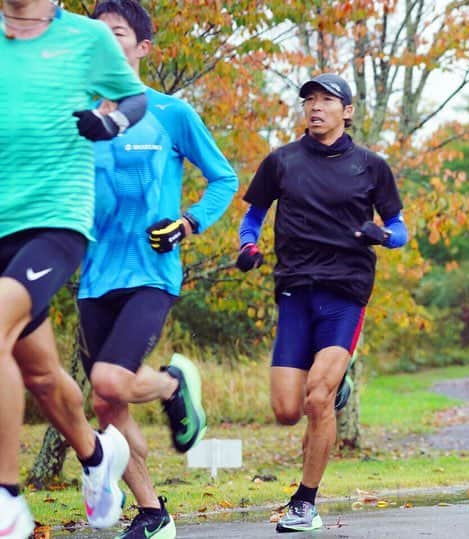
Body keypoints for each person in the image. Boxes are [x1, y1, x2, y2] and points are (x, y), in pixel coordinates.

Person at [74, 1, 240, 537]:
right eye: (96, 33)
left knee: (109, 378)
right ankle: (153, 512)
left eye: (117, 33)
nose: (105, 40)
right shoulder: (78, 117)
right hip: (93, 274)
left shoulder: (171, 113)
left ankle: (172, 385)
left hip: (151, 269)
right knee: (105, 402)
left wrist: (189, 223)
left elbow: (223, 178)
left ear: (142, 48)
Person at [235, 72, 408, 533]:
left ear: (347, 111)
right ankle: (337, 389)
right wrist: (248, 247)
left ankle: (304, 502)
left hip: (345, 291)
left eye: (326, 99)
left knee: (317, 396)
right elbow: (251, 218)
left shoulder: (371, 166)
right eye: (309, 99)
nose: (315, 106)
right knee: (286, 410)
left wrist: (382, 235)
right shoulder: (282, 162)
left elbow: (401, 231)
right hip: (294, 289)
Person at [0, 1, 148, 536]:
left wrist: (110, 121)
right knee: (38, 372)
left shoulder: (86, 38)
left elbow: (134, 96)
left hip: (53, 220)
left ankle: (7, 499)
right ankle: (95, 457)